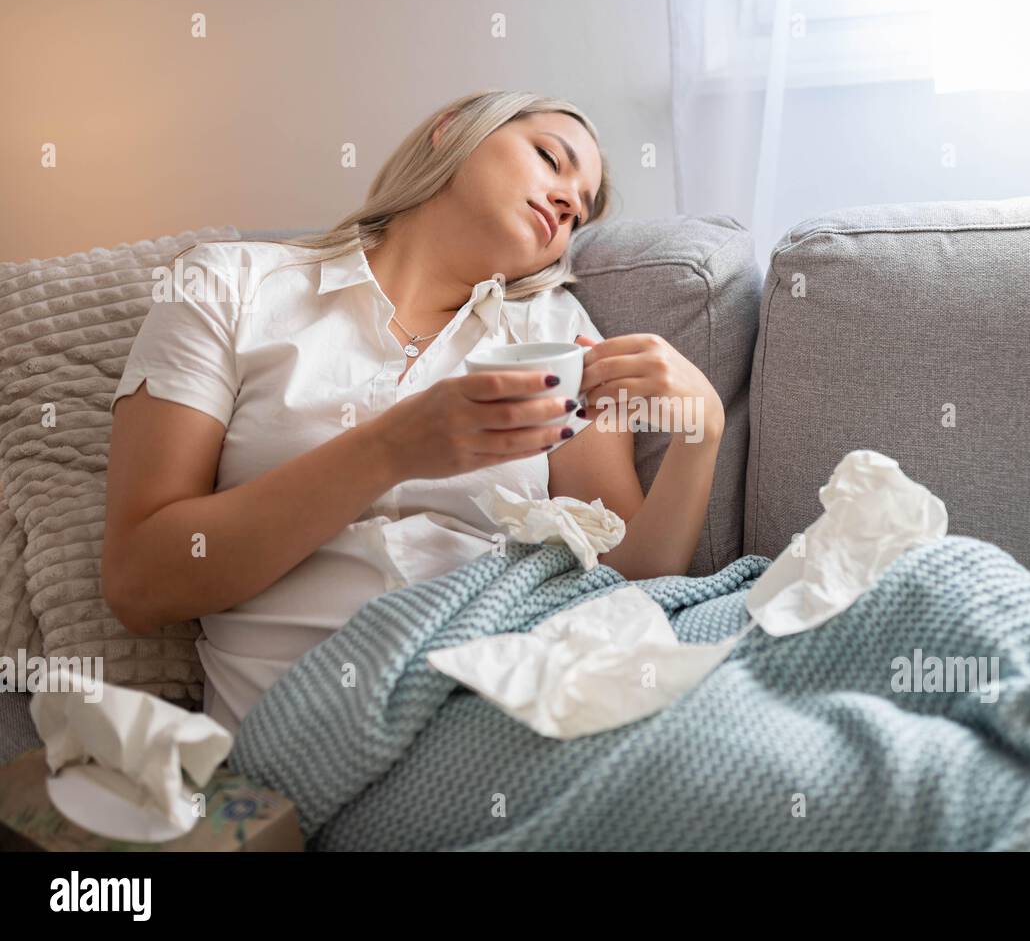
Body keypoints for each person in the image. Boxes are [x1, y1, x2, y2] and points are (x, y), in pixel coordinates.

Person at [101, 90, 726, 734]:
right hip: (311, 724)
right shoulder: (228, 285)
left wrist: (701, 436)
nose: (568, 203)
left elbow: (627, 588)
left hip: (519, 684)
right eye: (548, 158)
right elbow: (140, 581)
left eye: (580, 213)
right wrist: (390, 449)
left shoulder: (561, 336)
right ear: (451, 130)